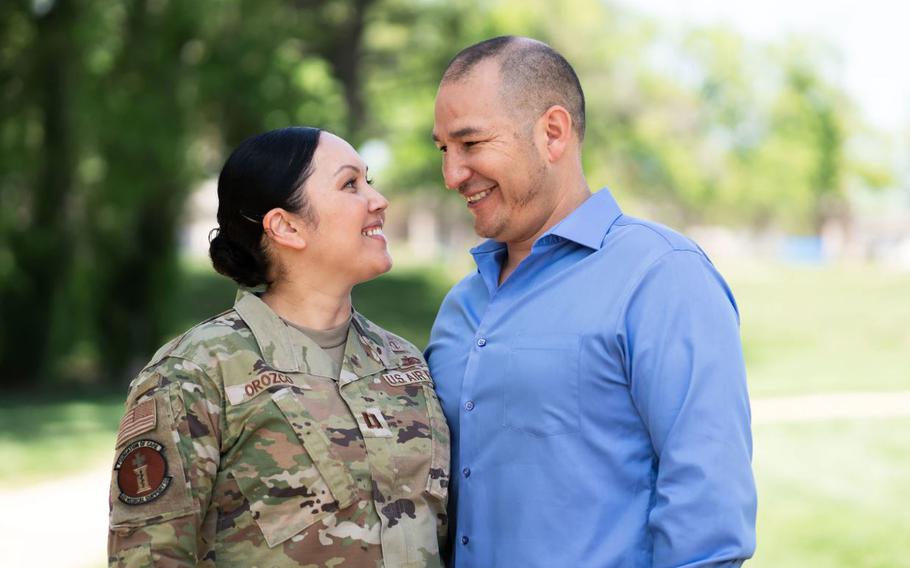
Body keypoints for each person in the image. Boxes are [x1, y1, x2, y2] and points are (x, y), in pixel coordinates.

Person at [425, 36, 757, 567]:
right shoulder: (460, 307)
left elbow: (707, 514)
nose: (451, 175)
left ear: (552, 133)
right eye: (444, 149)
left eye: (470, 143)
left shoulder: (661, 276)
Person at [107, 127, 450, 567]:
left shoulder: (405, 364)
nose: (378, 199)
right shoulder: (194, 374)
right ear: (286, 226)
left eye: (371, 180)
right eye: (350, 184)